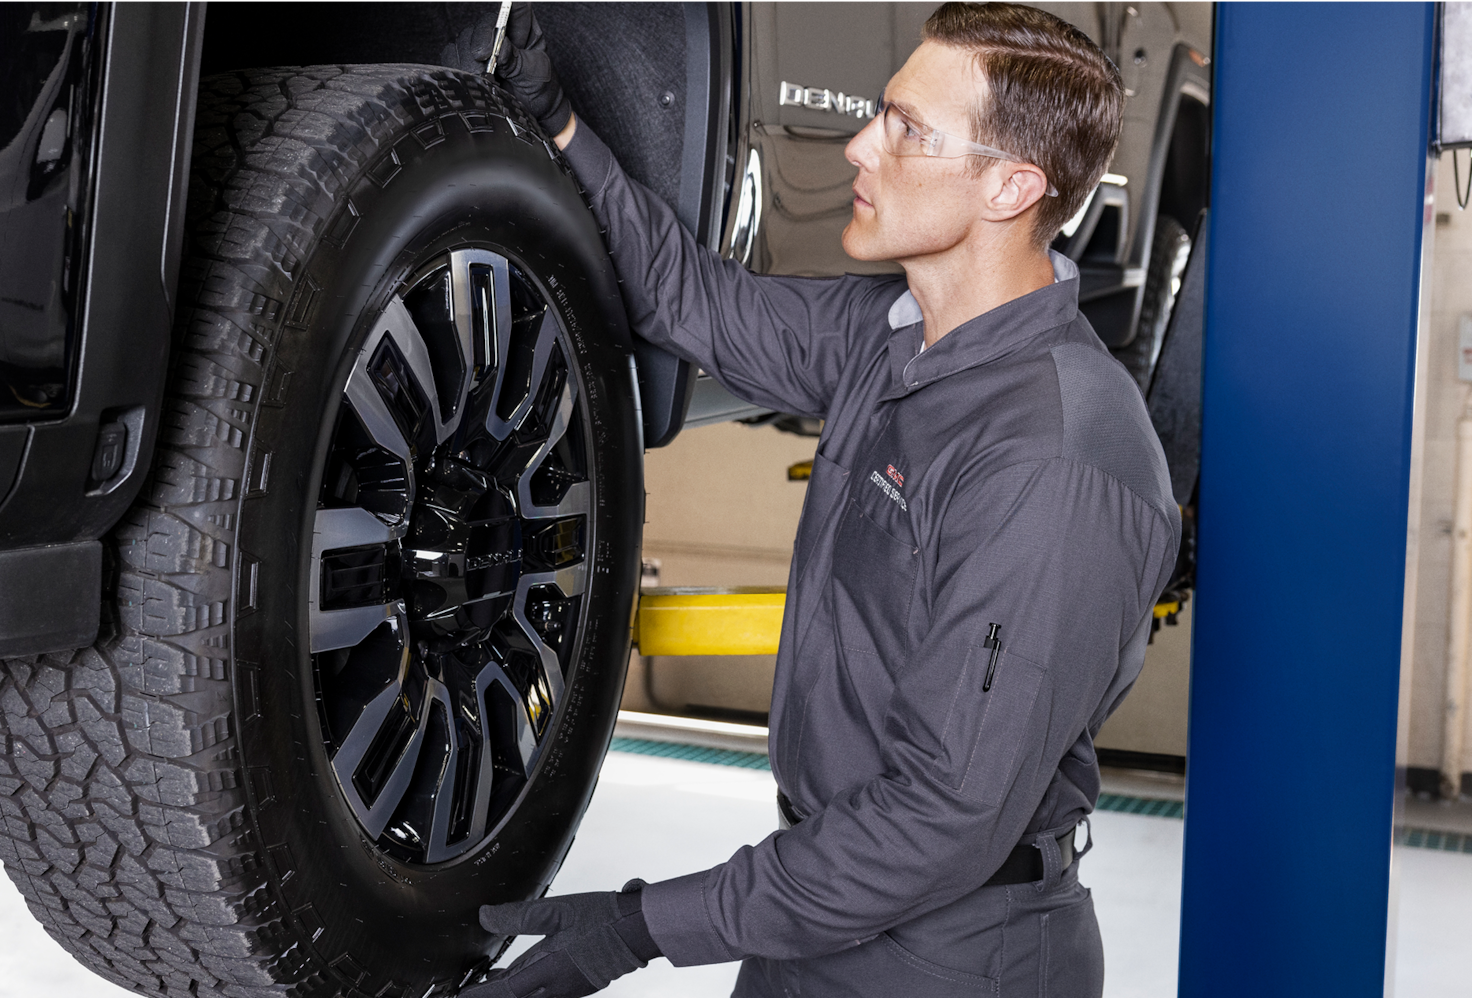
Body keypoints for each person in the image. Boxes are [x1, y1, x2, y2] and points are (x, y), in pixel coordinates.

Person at [465, 3, 1180, 996]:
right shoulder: (891, 335)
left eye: (906, 130)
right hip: (817, 906)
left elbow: (937, 819)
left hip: (955, 955)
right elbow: (687, 300)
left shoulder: (1051, 459)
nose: (858, 146)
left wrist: (639, 925)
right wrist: (559, 128)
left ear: (1012, 186)